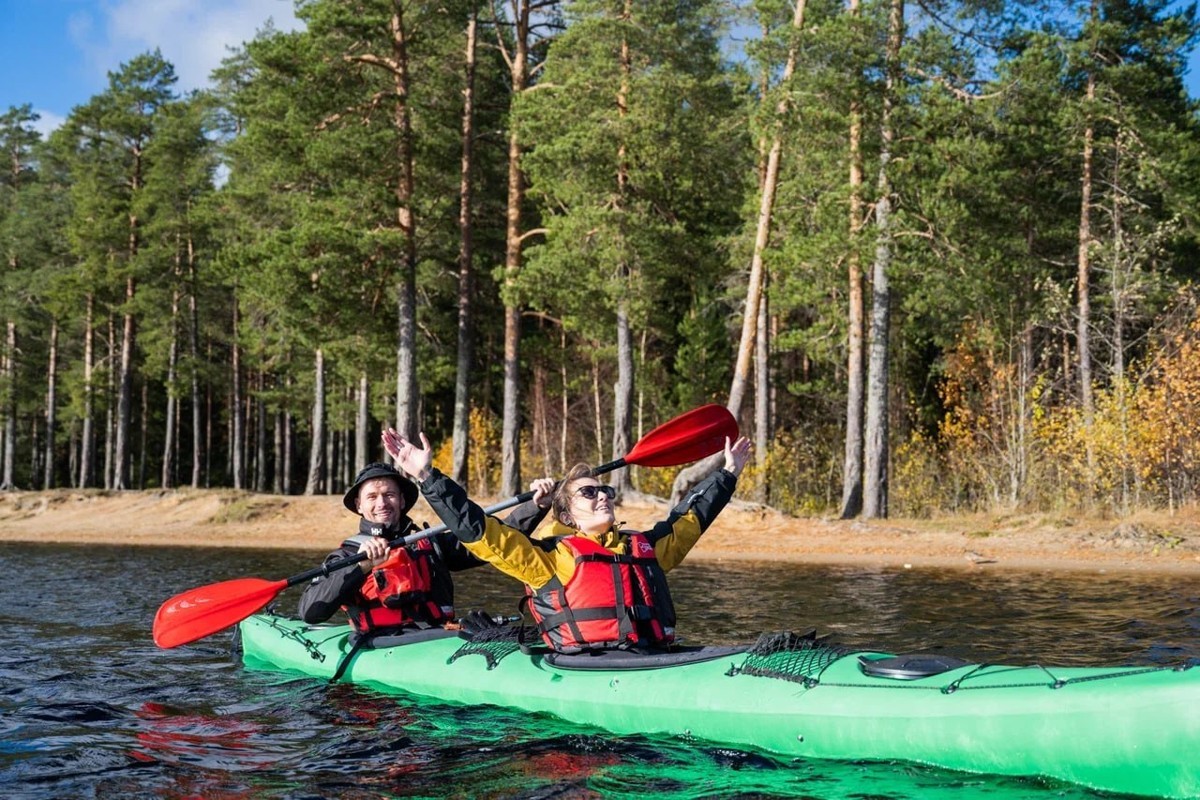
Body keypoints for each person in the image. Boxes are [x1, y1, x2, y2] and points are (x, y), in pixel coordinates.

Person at [383, 427, 752, 654]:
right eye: (589, 493)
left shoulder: (645, 548)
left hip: (651, 655)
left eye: (605, 490)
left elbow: (689, 520)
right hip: (585, 664)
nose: (603, 496)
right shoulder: (548, 559)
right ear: (567, 516)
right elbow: (478, 530)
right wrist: (427, 476)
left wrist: (728, 474)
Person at [298, 460, 554, 636]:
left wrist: (537, 507)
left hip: (439, 636)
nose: (382, 503)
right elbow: (311, 611)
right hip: (382, 642)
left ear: (401, 501)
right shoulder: (347, 555)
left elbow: (494, 541)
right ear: (359, 505)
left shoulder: (430, 541)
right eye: (372, 497)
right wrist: (361, 567)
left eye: (389, 495)